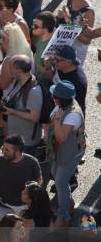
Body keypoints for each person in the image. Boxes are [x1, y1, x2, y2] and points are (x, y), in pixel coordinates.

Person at [47, 80, 85, 226]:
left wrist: (56, 121)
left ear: (59, 98)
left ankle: (63, 217)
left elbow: (62, 137)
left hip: (69, 153)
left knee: (60, 182)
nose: (52, 97)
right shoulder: (63, 105)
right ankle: (69, 204)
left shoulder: (72, 115)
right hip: (57, 151)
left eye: (54, 95)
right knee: (57, 177)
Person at [0, 55, 43, 155]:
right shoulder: (19, 82)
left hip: (26, 141)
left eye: (10, 67)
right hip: (17, 137)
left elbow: (34, 117)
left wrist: (12, 112)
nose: (8, 70)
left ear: (18, 70)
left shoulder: (33, 91)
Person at [0, 135, 43, 221]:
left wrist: (31, 197)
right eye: (3, 148)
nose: (3, 152)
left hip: (23, 207)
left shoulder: (32, 162)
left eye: (7, 150)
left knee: (21, 232)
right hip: (2, 204)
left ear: (18, 152)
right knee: (3, 230)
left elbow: (39, 180)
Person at [57, 0, 94, 64]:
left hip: (78, 50)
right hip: (65, 43)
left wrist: (70, 27)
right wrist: (60, 17)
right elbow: (66, 14)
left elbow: (86, 40)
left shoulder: (88, 12)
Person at [50, 46, 88, 115]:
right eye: (54, 58)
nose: (54, 61)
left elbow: (75, 108)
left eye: (57, 60)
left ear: (69, 62)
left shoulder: (78, 83)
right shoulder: (62, 67)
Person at [32, 11, 56, 86]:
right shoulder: (40, 35)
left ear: (45, 29)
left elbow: (49, 73)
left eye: (36, 26)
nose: (33, 27)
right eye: (33, 23)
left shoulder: (51, 47)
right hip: (35, 73)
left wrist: (36, 65)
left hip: (42, 83)